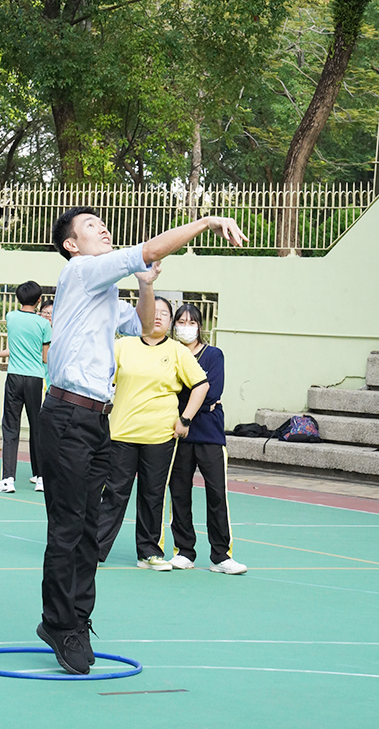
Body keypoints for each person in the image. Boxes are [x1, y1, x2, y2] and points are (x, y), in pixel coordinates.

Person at [36, 206, 246, 676]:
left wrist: (147, 286)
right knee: (68, 527)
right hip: (67, 415)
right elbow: (149, 249)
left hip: (97, 419)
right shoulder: (81, 270)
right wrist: (206, 223)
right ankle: (58, 623)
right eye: (90, 225)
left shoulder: (104, 290)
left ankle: (78, 619)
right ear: (71, 244)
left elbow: (145, 326)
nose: (102, 227)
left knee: (89, 527)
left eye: (101, 222)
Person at [97, 297, 209, 570]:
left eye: (164, 314)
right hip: (122, 434)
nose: (157, 317)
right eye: (152, 311)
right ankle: (93, 550)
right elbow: (102, 379)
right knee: (114, 494)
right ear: (141, 315)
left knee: (153, 495)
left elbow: (201, 385)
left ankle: (149, 553)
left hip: (160, 436)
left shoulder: (177, 351)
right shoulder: (122, 346)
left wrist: (185, 419)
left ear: (170, 322)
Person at [168, 304, 247, 574]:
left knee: (216, 494)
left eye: (191, 322)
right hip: (179, 434)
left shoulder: (213, 355)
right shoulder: (171, 353)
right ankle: (184, 551)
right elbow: (168, 391)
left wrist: (187, 406)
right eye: (181, 322)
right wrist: (190, 403)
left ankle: (221, 556)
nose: (186, 327)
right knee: (179, 493)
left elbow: (212, 392)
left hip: (209, 434)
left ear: (200, 326)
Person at [0, 281, 51, 494]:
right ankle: (41, 478)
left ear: (18, 298)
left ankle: (8, 479)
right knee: (37, 428)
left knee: (10, 428)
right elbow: (45, 357)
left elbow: (14, 347)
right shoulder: (44, 324)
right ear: (39, 300)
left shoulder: (12, 317)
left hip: (14, 377)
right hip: (35, 379)